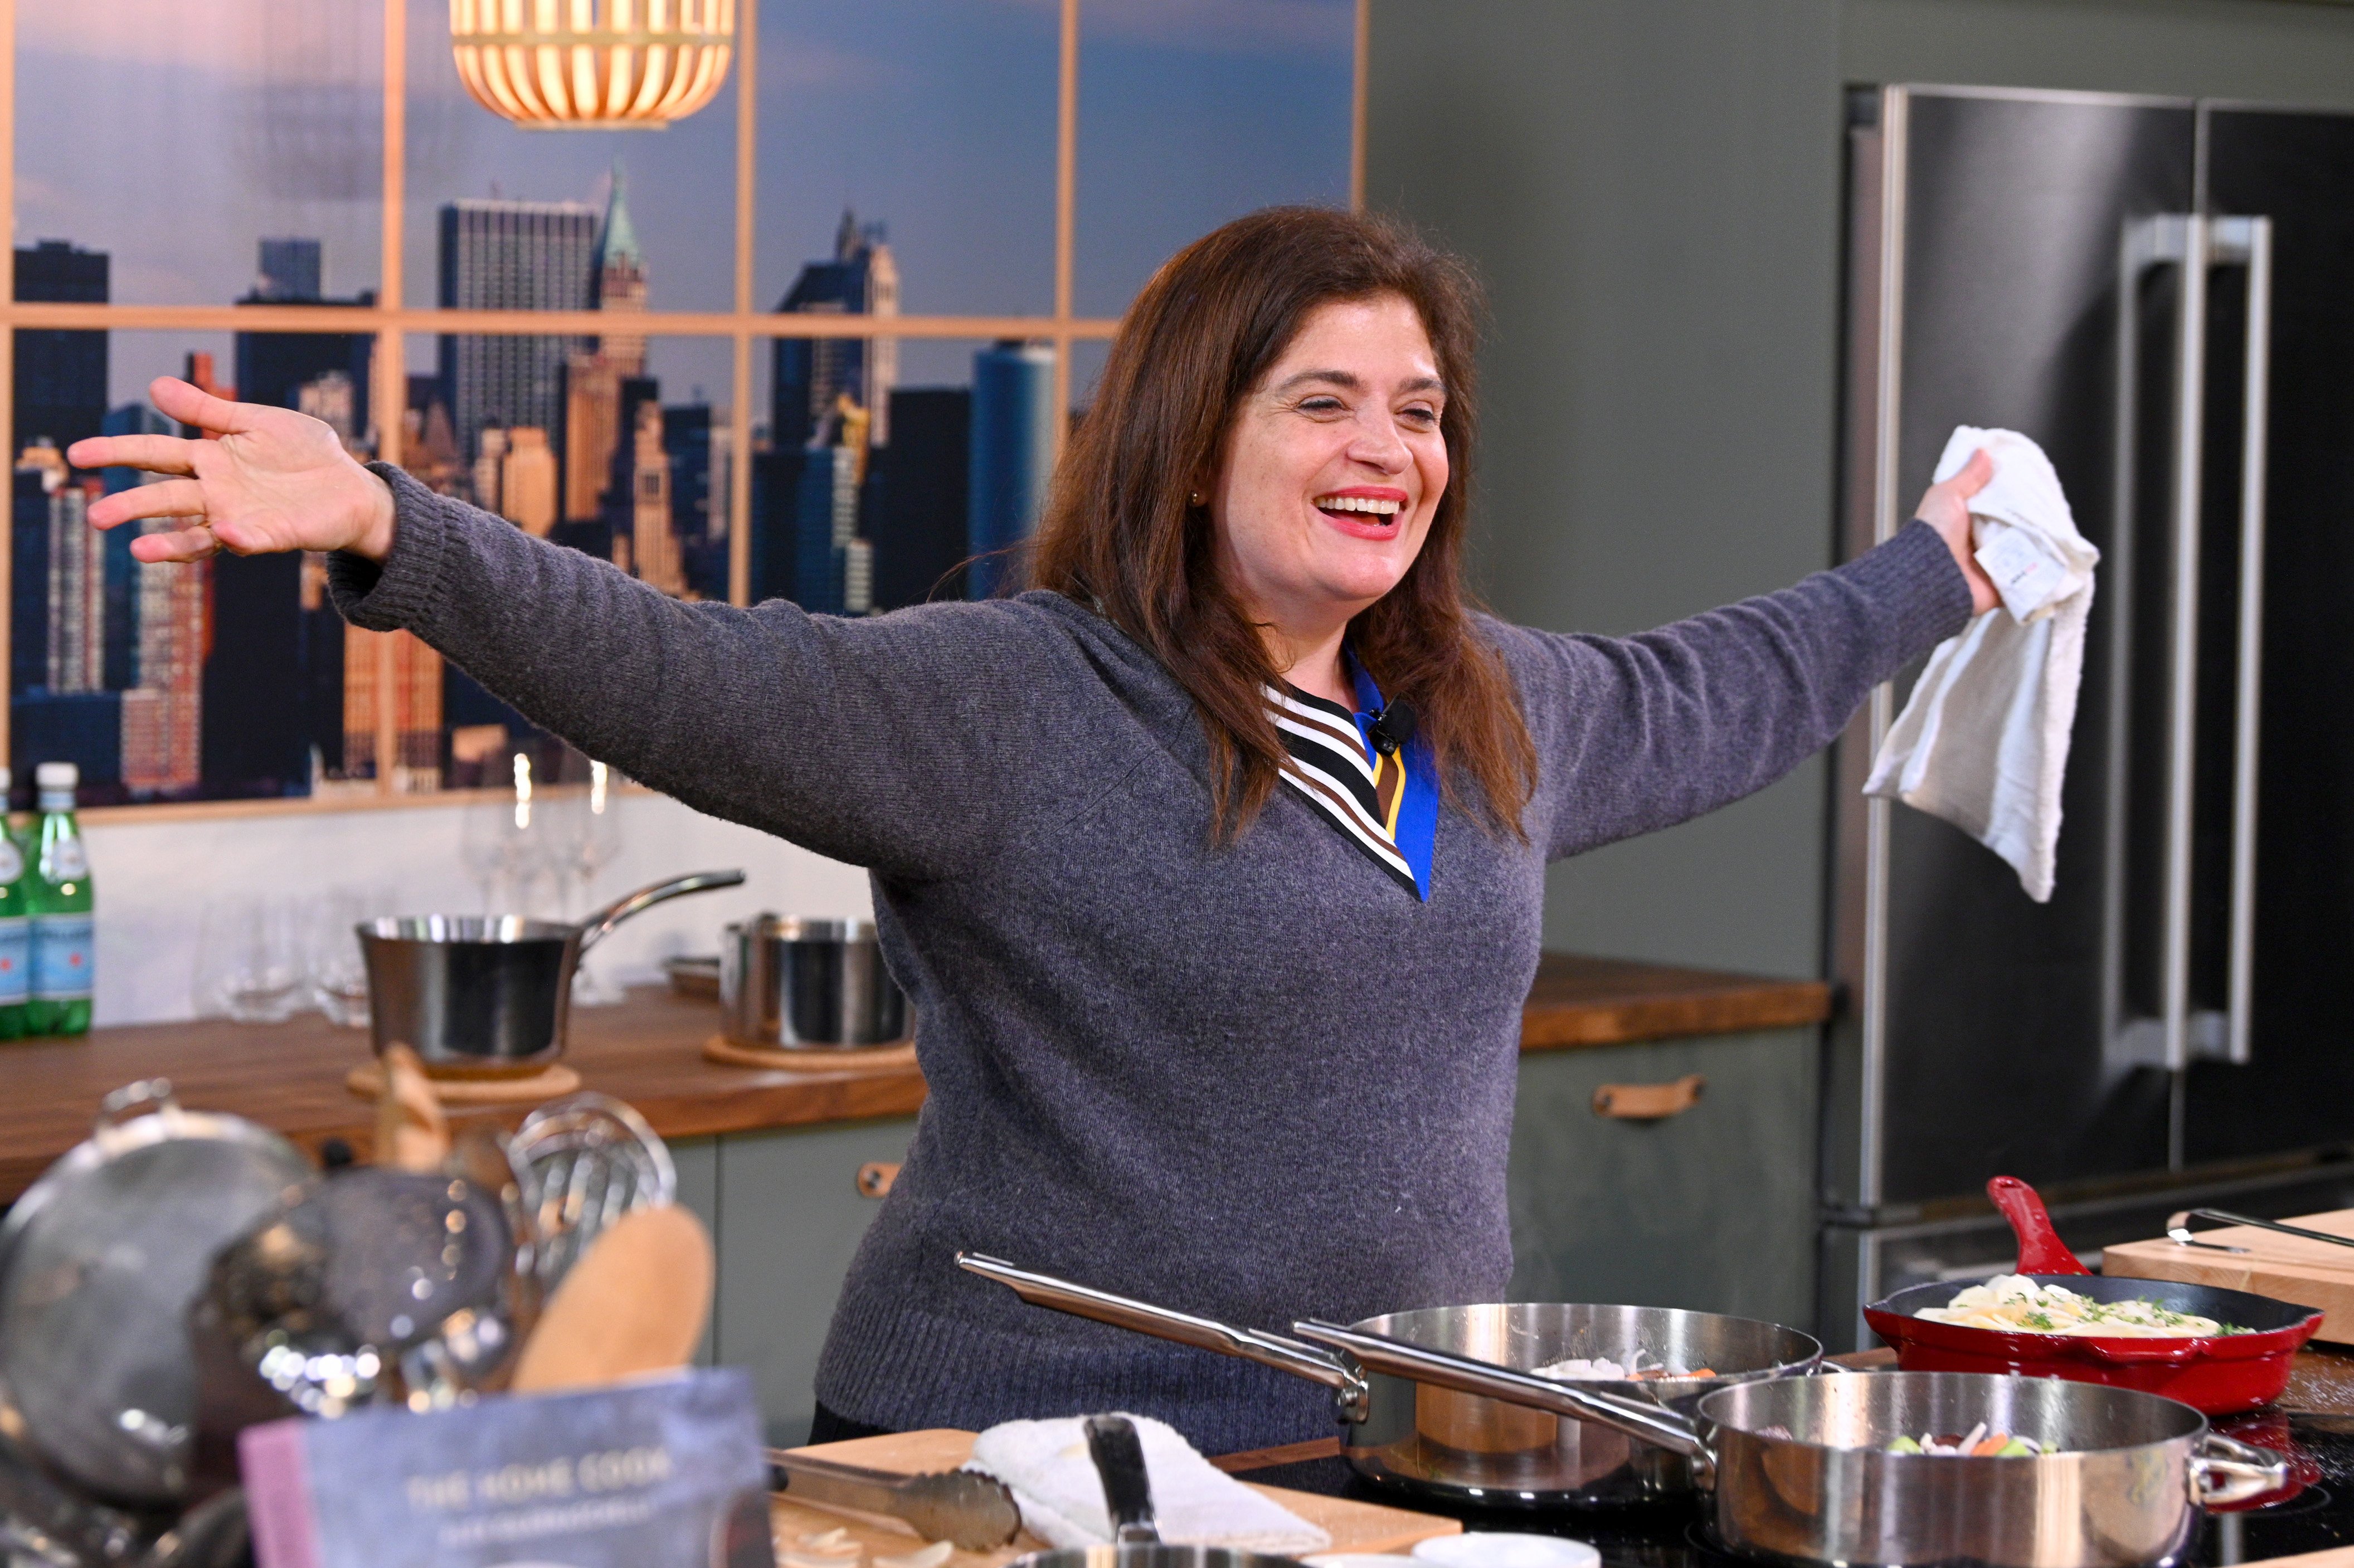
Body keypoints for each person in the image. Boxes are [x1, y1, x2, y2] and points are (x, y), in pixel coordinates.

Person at [76, 207, 1995, 1454]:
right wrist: (389, 529)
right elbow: (674, 665)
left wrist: (1943, 567)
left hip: (1379, 1456)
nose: (1390, 451)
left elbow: (1726, 682)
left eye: (1420, 412)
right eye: (1324, 401)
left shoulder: (1492, 706)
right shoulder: (1008, 698)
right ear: (1188, 440)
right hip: (1024, 1472)